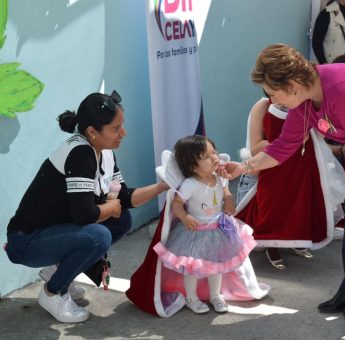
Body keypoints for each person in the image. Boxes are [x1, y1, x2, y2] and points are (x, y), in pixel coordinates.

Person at [219, 44, 345, 320]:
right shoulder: (303, 101)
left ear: (291, 85)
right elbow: (283, 147)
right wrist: (242, 167)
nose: (272, 100)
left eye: (272, 93)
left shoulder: (342, 89)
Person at [4, 91, 169, 323]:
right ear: (92, 131)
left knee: (121, 221)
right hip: (26, 241)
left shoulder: (105, 151)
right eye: (116, 128)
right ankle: (53, 293)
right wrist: (111, 208)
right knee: (98, 234)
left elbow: (124, 196)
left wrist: (162, 187)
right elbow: (85, 215)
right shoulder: (80, 153)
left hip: (55, 233)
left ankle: (58, 272)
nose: (124, 133)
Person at [151, 135, 260, 314]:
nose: (215, 158)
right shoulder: (190, 185)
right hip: (195, 233)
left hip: (218, 230)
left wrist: (229, 199)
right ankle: (191, 297)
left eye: (214, 152)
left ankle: (215, 295)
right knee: (192, 268)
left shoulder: (219, 177)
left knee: (215, 266)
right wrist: (185, 217)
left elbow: (225, 191)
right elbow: (177, 203)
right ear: (193, 166)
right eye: (207, 157)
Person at [235, 98, 345, 270]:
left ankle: (297, 239)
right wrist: (289, 142)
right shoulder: (263, 106)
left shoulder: (304, 103)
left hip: (302, 165)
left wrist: (323, 122)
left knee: (300, 202)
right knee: (273, 203)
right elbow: (256, 148)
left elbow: (323, 133)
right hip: (271, 166)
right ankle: (271, 244)